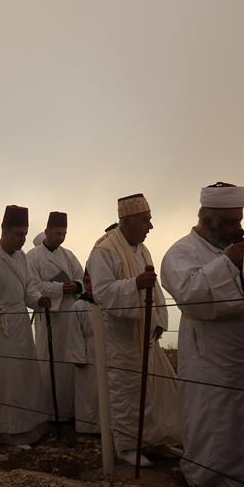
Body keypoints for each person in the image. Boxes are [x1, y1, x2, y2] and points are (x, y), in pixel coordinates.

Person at [161, 183, 244, 487]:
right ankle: (214, 480)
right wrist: (228, 262)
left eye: (239, 220)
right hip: (209, 354)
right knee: (217, 417)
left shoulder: (239, 245)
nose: (237, 228)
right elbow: (190, 295)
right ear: (208, 218)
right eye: (229, 222)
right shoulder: (180, 252)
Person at [86, 194, 181, 467]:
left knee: (155, 389)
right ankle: (126, 446)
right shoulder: (105, 250)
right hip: (120, 338)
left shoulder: (142, 248)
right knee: (125, 391)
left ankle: (155, 440)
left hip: (145, 335)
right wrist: (134, 285)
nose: (150, 226)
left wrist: (159, 319)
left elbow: (155, 288)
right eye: (145, 220)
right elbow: (102, 294)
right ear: (127, 221)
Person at [0, 205, 51, 444]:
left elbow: (28, 290)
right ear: (4, 230)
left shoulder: (22, 257)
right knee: (1, 380)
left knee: (25, 376)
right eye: (18, 234)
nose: (23, 239)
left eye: (25, 234)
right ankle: (1, 431)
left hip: (20, 327)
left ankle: (29, 427)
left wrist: (38, 300)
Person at [28, 211, 85, 422]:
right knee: (48, 359)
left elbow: (81, 276)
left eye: (64, 233)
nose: (61, 237)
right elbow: (32, 286)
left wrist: (76, 285)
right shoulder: (32, 257)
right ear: (47, 231)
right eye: (57, 233)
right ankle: (50, 413)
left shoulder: (68, 255)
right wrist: (61, 287)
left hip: (68, 315)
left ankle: (69, 411)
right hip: (49, 314)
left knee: (68, 362)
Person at [70, 269, 99, 433]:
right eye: (86, 282)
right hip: (88, 353)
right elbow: (75, 333)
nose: (89, 285)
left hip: (108, 352)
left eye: (93, 281)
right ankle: (88, 426)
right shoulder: (78, 306)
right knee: (88, 391)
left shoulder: (106, 302)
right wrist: (78, 356)